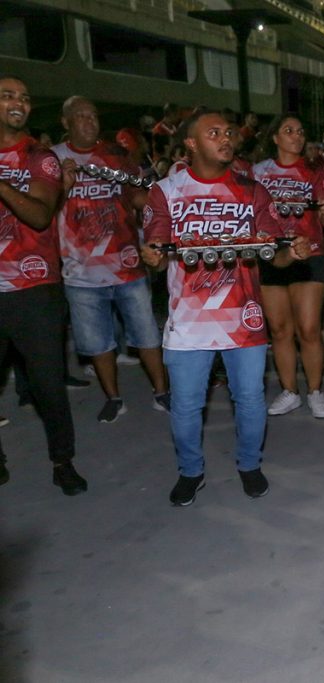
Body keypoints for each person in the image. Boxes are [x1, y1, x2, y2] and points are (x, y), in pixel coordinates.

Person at [141, 108, 311, 506]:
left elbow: (275, 257)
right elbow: (156, 248)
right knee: (186, 405)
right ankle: (191, 471)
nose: (226, 138)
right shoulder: (165, 191)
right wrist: (151, 256)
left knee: (250, 398)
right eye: (213, 132)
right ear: (190, 143)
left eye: (229, 132)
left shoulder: (253, 191)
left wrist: (294, 253)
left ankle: (249, 465)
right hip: (188, 321)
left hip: (243, 318)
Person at [52, 96, 170, 423]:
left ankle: (162, 392)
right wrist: (62, 184)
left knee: (147, 335)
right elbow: (41, 208)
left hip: (127, 265)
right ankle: (113, 398)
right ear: (66, 123)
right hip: (80, 273)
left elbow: (139, 197)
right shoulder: (53, 160)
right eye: (81, 117)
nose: (90, 122)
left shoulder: (114, 157)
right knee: (98, 343)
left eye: (93, 116)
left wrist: (168, 197)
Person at [0, 75, 86, 495]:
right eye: (8, 96)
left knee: (47, 383)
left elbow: (38, 215)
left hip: (34, 289)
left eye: (25, 96)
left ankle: (62, 460)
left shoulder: (39, 157)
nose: (19, 102)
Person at [253, 114, 324, 418]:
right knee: (279, 329)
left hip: (309, 254)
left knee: (309, 328)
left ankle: (315, 391)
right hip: (270, 254)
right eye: (288, 131)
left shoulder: (315, 172)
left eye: (300, 131)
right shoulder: (257, 172)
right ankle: (290, 391)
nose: (296, 136)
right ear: (275, 137)